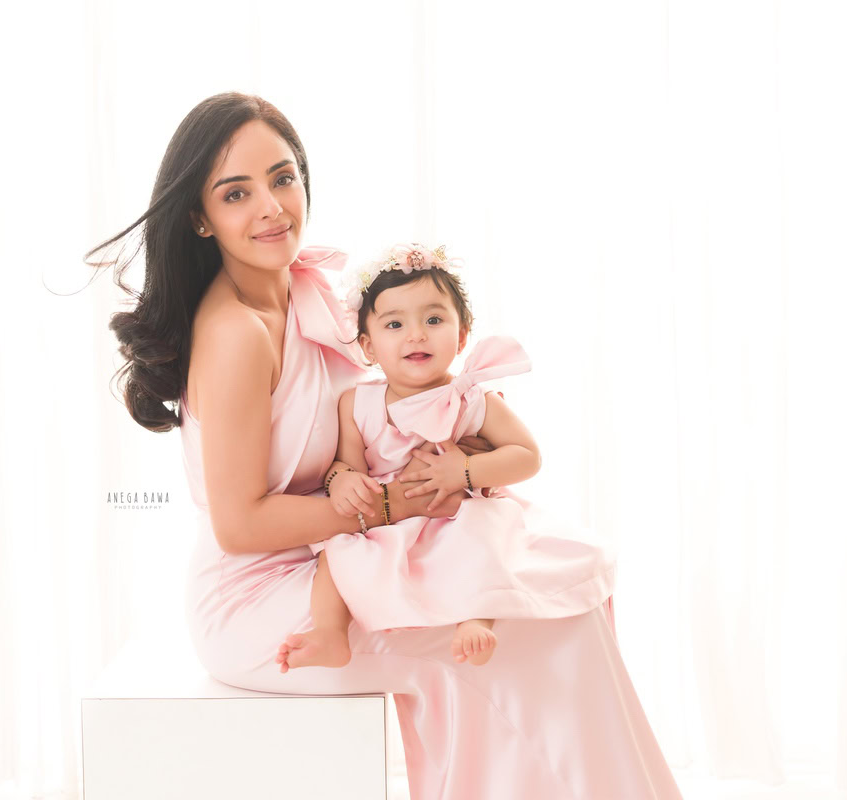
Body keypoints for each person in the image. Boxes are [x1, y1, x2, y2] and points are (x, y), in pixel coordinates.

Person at [95, 91, 682, 799]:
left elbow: (380, 402)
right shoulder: (235, 336)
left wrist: (456, 443)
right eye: (236, 193)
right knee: (541, 628)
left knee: (562, 590)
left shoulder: (300, 287)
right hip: (265, 598)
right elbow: (241, 523)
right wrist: (404, 500)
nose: (271, 208)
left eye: (283, 178)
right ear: (199, 216)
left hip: (348, 552)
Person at [275, 243, 617, 673]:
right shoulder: (356, 403)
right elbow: (345, 464)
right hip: (392, 521)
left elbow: (526, 455)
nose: (416, 334)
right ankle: (329, 632)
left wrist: (465, 470)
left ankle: (475, 618)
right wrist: (341, 482)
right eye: (395, 324)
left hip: (454, 516)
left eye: (433, 320)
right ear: (368, 345)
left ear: (460, 336)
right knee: (336, 553)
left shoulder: (472, 398)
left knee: (484, 537)